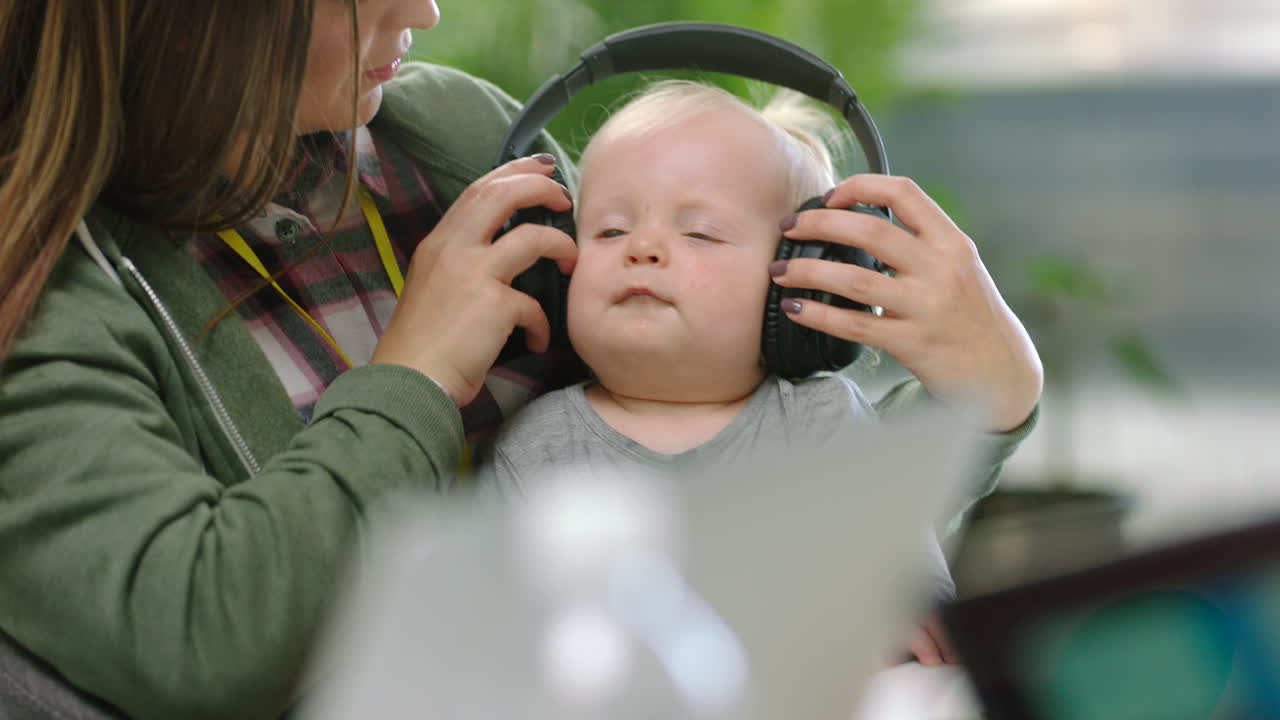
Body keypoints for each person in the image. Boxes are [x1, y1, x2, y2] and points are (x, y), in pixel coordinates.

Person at [0, 2, 1038, 718]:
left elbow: (710, 414)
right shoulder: (47, 287)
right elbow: (204, 645)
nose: (425, 13)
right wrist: (411, 377)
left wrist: (982, 403)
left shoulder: (453, 138)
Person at [471, 80, 1042, 667]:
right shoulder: (535, 447)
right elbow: (499, 639)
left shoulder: (823, 423)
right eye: (610, 231)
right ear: (555, 276)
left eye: (700, 233)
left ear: (798, 283)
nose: (641, 246)